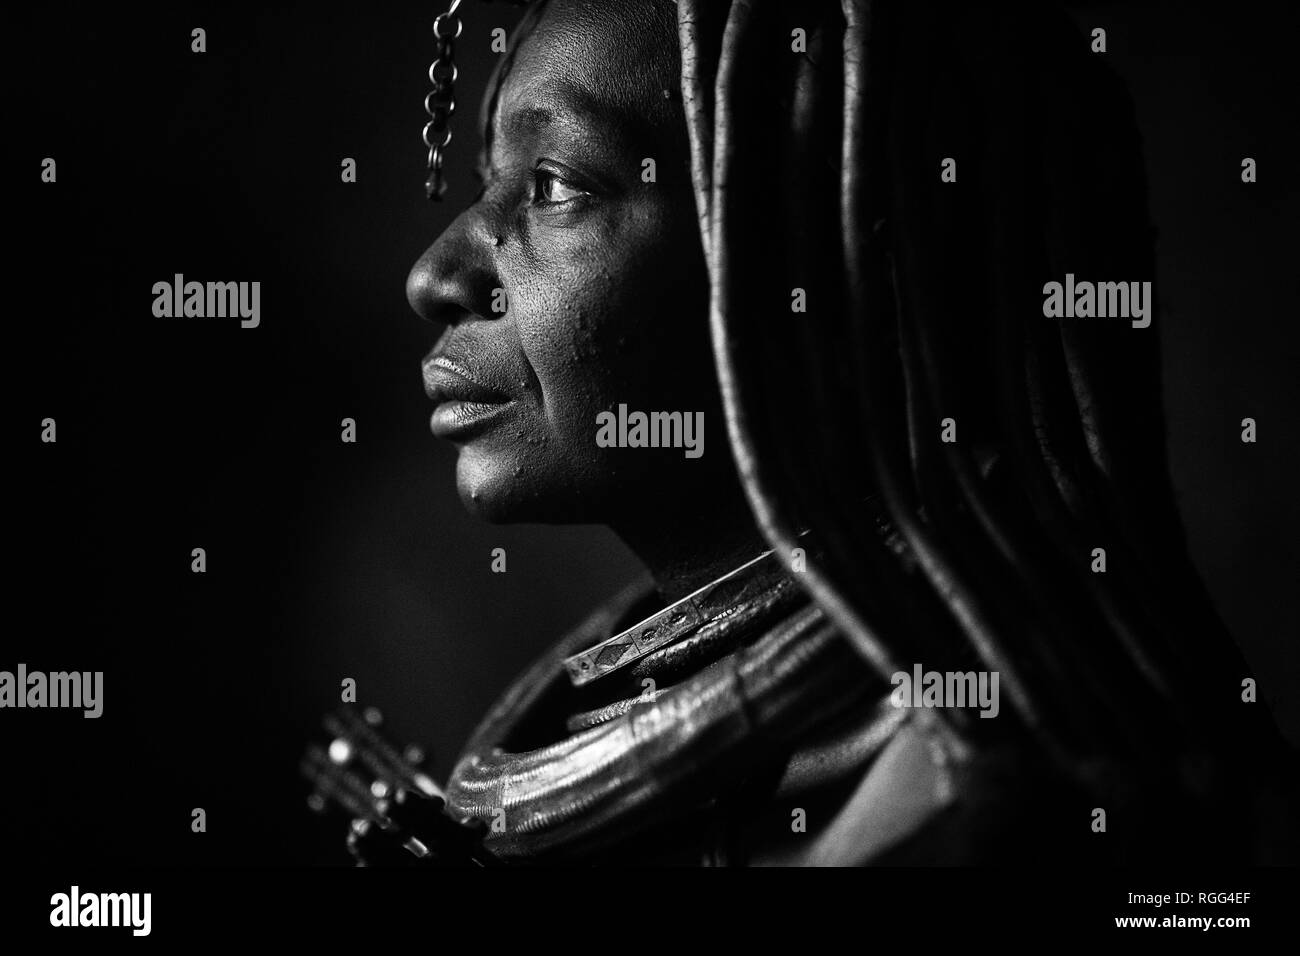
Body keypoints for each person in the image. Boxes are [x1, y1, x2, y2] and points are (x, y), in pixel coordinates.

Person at [395, 0, 1299, 865]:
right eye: (489, 187)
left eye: (554, 185)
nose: (435, 275)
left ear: (846, 256)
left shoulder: (1019, 798)